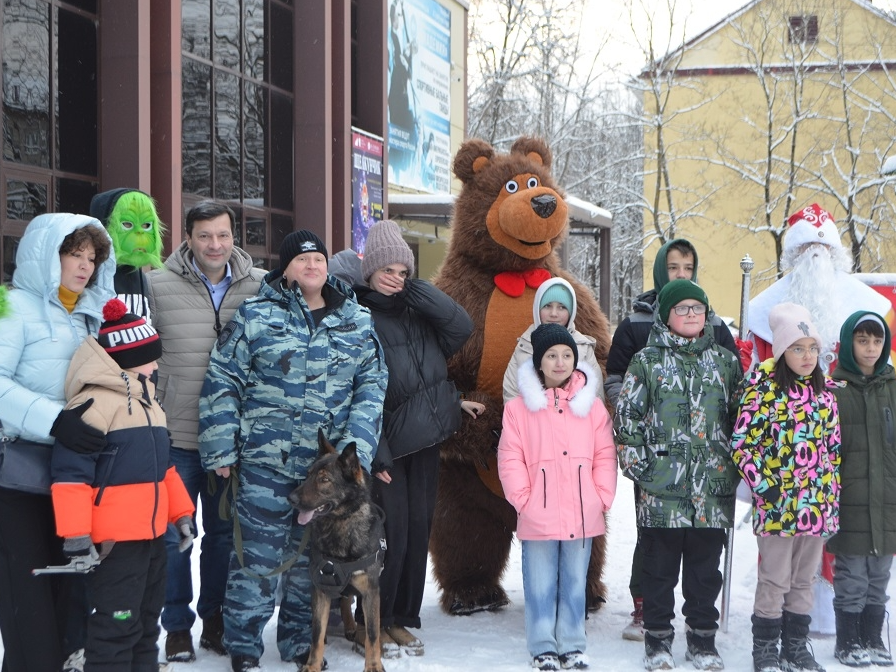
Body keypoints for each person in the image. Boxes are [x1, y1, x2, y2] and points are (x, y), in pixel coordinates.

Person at [198, 229, 387, 671]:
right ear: (286, 269)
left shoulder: (356, 320)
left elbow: (372, 386)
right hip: (266, 462)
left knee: (310, 565)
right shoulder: (256, 316)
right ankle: (244, 646)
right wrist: (221, 446)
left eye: (318, 258)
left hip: (326, 475)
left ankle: (301, 644)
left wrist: (353, 451)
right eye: (302, 260)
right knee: (255, 562)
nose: (312, 266)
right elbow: (223, 379)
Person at [146, 200, 266, 662]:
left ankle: (214, 618)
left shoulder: (258, 285)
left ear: (234, 236)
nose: (214, 245)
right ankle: (176, 626)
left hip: (231, 442)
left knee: (222, 537)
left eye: (222, 235)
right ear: (188, 238)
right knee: (176, 536)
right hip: (175, 435)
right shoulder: (158, 285)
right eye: (204, 236)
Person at [353, 219, 480, 656]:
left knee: (418, 529)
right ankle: (376, 619)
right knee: (391, 535)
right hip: (386, 445)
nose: (394, 277)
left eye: (402, 271)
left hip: (426, 440)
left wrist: (413, 291)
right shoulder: (356, 315)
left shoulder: (416, 310)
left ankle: (404, 617)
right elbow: (357, 389)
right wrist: (377, 452)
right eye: (386, 269)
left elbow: (460, 326)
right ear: (368, 270)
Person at [50, 298, 196, 671]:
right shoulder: (91, 405)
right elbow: (70, 477)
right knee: (116, 625)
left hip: (151, 540)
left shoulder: (151, 404)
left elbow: (165, 470)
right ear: (127, 358)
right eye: (150, 357)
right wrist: (76, 535)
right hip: (114, 545)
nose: (156, 364)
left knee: (147, 624)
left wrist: (181, 514)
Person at [605, 239, 738, 642]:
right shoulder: (640, 337)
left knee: (703, 563)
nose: (680, 274)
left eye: (688, 267)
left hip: (709, 479)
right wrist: (643, 463)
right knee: (656, 553)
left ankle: (701, 634)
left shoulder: (721, 345)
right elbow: (620, 393)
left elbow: (741, 407)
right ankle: (651, 619)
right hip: (659, 468)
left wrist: (734, 465)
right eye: (674, 267)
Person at [0, 213, 116, 672]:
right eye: (74, 254)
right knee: (27, 598)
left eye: (91, 257)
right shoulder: (12, 306)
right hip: (18, 476)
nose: (84, 266)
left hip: (74, 473)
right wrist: (54, 421)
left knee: (67, 589)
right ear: (48, 255)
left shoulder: (89, 316)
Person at [498, 323, 617, 671]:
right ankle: (543, 646)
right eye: (551, 355)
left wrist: (601, 496)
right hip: (538, 513)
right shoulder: (519, 410)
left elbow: (605, 456)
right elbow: (510, 459)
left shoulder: (592, 408)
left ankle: (573, 643)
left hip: (582, 511)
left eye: (567, 355)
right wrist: (524, 500)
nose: (560, 362)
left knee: (575, 584)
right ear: (539, 363)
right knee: (539, 584)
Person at [732, 303, 840, 672]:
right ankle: (765, 648)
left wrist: (830, 500)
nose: (807, 356)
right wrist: (767, 489)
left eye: (812, 348)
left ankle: (796, 646)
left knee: (803, 581)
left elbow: (833, 453)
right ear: (781, 352)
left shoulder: (826, 397)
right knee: (775, 580)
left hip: (815, 507)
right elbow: (742, 445)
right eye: (798, 348)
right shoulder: (763, 393)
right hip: (778, 507)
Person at [828, 312, 895, 667]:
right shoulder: (834, 390)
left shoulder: (893, 386)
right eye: (863, 341)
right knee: (852, 572)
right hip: (849, 497)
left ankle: (872, 637)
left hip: (887, 498)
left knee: (880, 572)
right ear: (848, 344)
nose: (871, 349)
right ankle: (848, 640)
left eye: (877, 341)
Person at [502, 276, 601, 403]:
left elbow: (596, 396)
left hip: (575, 421)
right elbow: (511, 394)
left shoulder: (583, 346)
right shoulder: (525, 345)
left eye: (562, 307)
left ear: (571, 312)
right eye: (548, 306)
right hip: (531, 419)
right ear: (538, 308)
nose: (554, 313)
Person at [89, 188, 165, 323]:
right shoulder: (91, 273)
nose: (140, 233)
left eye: (146, 225)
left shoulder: (140, 277)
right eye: (127, 224)